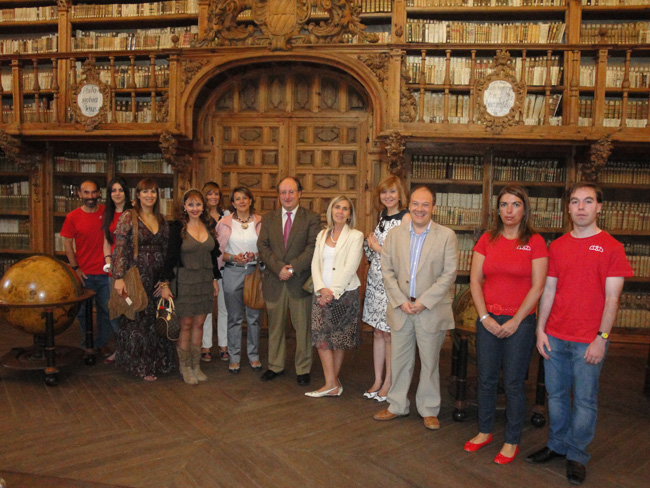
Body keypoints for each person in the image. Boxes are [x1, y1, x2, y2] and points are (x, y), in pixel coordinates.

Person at [527, 182, 633, 485]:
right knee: (556, 396)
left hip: (589, 340)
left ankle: (576, 455)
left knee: (585, 400)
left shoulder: (612, 247)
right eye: (575, 202)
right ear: (569, 207)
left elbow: (612, 298)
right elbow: (548, 290)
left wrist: (602, 338)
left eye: (588, 201)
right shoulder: (557, 246)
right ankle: (557, 445)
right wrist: (540, 330)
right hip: (555, 336)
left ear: (599, 207)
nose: (581, 207)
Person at [464, 185, 548, 464]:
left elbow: (538, 287)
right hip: (488, 319)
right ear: (497, 209)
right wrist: (485, 317)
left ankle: (512, 440)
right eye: (504, 205)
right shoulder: (487, 239)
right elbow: (475, 281)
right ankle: (484, 431)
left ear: (525, 209)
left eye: (515, 204)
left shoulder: (535, 241)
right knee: (486, 379)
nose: (509, 210)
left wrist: (516, 320)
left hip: (520, 323)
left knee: (513, 382)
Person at [373, 186, 458, 430]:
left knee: (430, 363)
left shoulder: (446, 236)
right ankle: (397, 405)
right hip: (401, 308)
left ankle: (429, 409)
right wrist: (400, 300)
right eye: (415, 204)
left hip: (429, 309)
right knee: (399, 360)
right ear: (409, 205)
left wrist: (423, 301)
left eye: (425, 204)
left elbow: (449, 273)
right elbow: (387, 270)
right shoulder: (395, 235)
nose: (420, 209)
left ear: (433, 208)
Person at [257, 176, 321, 386]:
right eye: (283, 192)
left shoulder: (311, 218)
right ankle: (275, 365)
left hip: (299, 282)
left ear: (299, 193)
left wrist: (292, 267)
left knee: (303, 329)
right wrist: (278, 269)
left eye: (291, 191)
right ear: (279, 195)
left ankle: (303, 368)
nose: (287, 196)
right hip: (275, 281)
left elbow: (312, 248)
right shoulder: (268, 219)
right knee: (275, 327)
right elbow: (263, 247)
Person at [111, 178, 174, 381]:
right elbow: (120, 247)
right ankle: (141, 364)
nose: (149, 196)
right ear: (137, 195)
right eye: (145, 192)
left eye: (153, 192)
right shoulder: (129, 217)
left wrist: (165, 281)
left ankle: (159, 362)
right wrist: (118, 278)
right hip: (135, 277)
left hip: (156, 278)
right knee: (137, 319)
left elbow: (167, 252)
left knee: (157, 318)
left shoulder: (162, 219)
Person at [160, 189, 221, 385]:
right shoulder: (178, 227)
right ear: (184, 206)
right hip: (184, 281)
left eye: (198, 204)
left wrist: (214, 280)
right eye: (191, 204)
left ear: (203, 206)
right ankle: (185, 367)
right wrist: (165, 284)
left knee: (200, 324)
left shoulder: (209, 224)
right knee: (185, 324)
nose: (195, 208)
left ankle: (196, 365)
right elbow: (169, 257)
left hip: (204, 281)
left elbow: (213, 256)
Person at [306, 196, 364, 397]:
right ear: (331, 210)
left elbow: (351, 267)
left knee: (339, 340)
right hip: (321, 294)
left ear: (350, 214)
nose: (340, 211)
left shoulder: (356, 236)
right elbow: (315, 264)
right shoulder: (322, 234)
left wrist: (333, 293)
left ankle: (332, 384)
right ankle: (332, 383)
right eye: (337, 207)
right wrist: (321, 288)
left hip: (345, 294)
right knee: (321, 338)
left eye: (345, 209)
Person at [362, 176, 410, 402]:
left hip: (393, 283)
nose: (388, 196)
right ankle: (377, 379)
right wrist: (369, 247)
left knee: (390, 334)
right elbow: (374, 250)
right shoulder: (382, 216)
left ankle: (390, 382)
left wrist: (377, 248)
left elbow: (404, 256)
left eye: (392, 191)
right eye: (384, 192)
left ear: (400, 194)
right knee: (377, 332)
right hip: (375, 282)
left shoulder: (406, 218)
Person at [61, 179, 111, 356]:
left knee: (106, 310)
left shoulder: (107, 213)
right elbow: (67, 244)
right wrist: (75, 268)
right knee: (83, 312)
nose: (91, 196)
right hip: (85, 274)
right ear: (79, 194)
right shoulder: (72, 217)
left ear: (99, 193)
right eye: (86, 192)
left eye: (94, 192)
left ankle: (102, 343)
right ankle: (87, 341)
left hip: (106, 273)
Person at [216, 186, 262, 374]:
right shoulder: (224, 223)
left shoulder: (260, 222)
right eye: (237, 199)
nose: (241, 201)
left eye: (245, 198)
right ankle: (234, 357)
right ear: (232, 203)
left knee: (254, 318)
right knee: (234, 318)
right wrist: (233, 257)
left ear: (251, 200)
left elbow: (267, 248)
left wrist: (255, 255)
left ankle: (254, 356)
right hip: (232, 272)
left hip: (253, 273)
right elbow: (218, 252)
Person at [102, 176, 133, 364]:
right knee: (113, 310)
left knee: (130, 309)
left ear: (126, 192)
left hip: (131, 271)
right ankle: (121, 348)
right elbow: (106, 241)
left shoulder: (133, 213)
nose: (117, 193)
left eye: (120, 189)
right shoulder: (108, 214)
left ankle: (132, 349)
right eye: (113, 190)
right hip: (112, 271)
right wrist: (108, 260)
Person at [201, 181, 230, 363]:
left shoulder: (226, 216)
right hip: (205, 268)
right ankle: (205, 346)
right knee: (206, 308)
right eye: (209, 193)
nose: (213, 197)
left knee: (223, 307)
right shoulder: (199, 216)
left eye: (216, 194)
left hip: (225, 268)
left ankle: (224, 345)